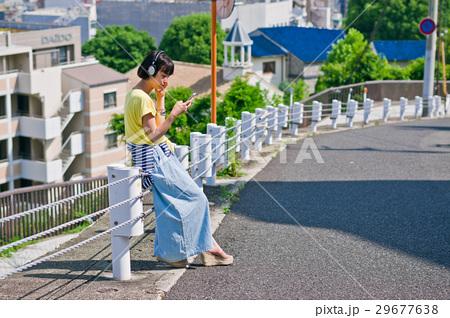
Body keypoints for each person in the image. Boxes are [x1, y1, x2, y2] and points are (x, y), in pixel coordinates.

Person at [124, 50, 233, 268]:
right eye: (163, 75)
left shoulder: (136, 95)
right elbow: (155, 135)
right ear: (152, 71)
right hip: (155, 159)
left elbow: (155, 126)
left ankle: (173, 253)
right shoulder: (141, 99)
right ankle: (207, 246)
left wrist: (161, 97)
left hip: (153, 157)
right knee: (197, 199)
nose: (165, 80)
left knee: (170, 207)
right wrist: (174, 114)